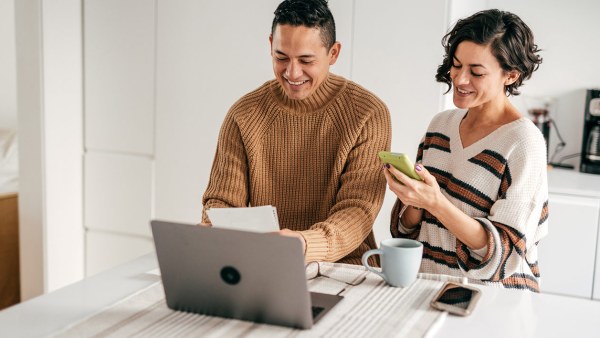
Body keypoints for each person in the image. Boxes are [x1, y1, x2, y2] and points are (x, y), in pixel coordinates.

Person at [202, 0, 391, 265]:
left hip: (343, 268)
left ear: (333, 53)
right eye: (281, 57)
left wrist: (302, 245)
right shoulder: (243, 114)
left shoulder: (368, 113)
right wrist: (214, 231)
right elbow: (221, 203)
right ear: (270, 45)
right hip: (261, 264)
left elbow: (357, 211)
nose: (292, 72)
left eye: (306, 60)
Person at [384, 9, 547, 292]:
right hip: (429, 288)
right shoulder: (441, 126)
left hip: (492, 303)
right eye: (456, 65)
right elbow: (410, 229)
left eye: (476, 72)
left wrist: (436, 202)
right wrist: (413, 198)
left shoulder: (523, 143)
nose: (459, 80)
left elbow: (504, 254)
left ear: (510, 75)